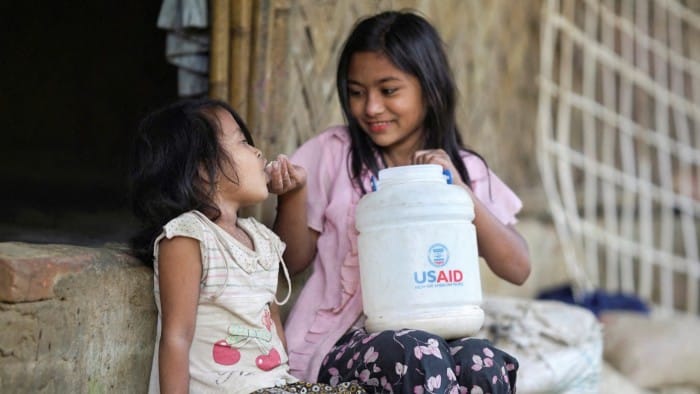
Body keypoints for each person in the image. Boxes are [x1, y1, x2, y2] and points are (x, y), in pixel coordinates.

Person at [267, 10, 531, 394]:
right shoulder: (333, 153)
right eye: (357, 92)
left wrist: (460, 191)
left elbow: (519, 268)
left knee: (484, 361)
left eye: (388, 91)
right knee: (419, 352)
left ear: (430, 89)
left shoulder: (464, 169)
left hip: (440, 338)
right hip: (342, 345)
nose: (371, 108)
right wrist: (292, 196)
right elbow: (291, 262)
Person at [128, 98, 365, 393]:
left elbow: (273, 321)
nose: (257, 151)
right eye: (242, 142)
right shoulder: (189, 237)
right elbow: (177, 337)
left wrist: (291, 383)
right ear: (203, 168)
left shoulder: (260, 237)